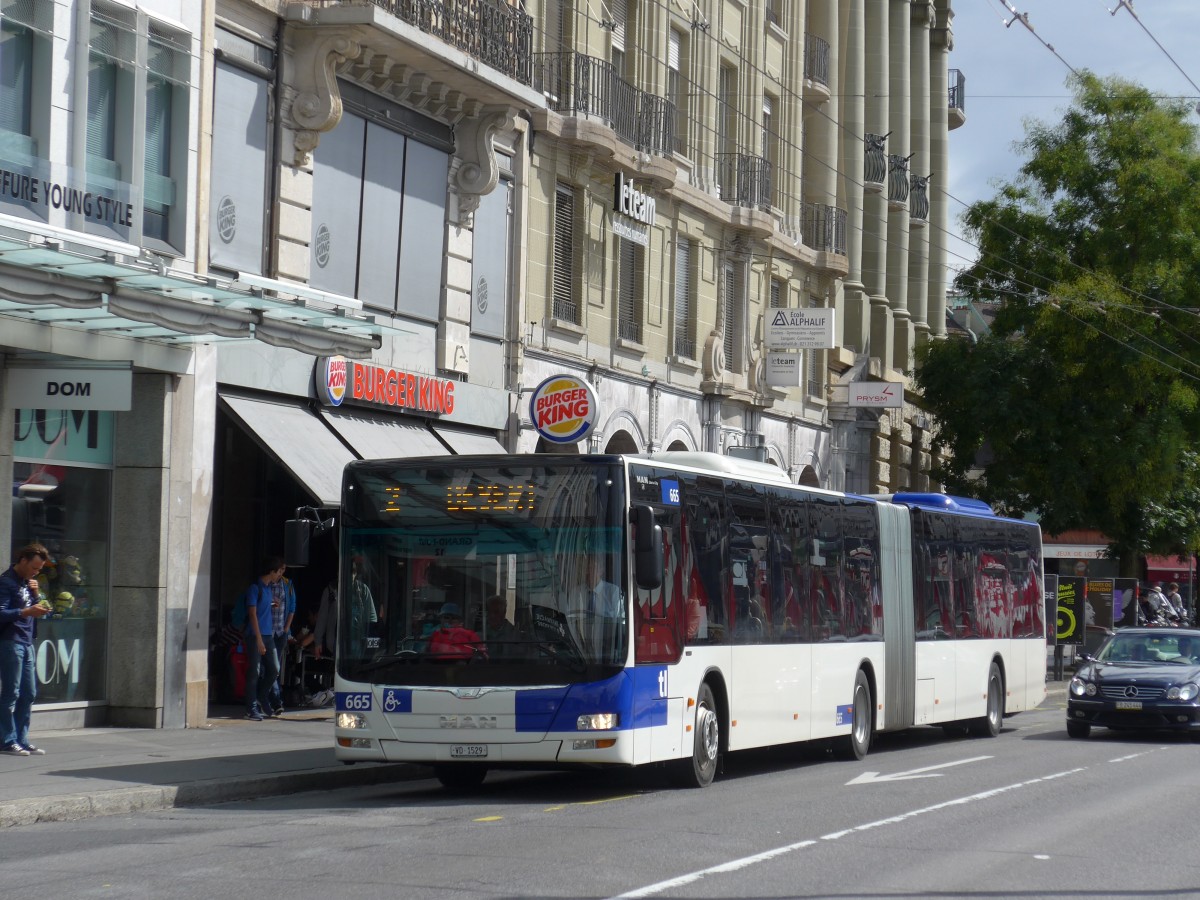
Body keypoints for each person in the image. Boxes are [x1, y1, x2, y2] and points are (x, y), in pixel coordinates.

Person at [0, 544, 53, 756]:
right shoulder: (6, 582)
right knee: (11, 692)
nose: (36, 572)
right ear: (22, 560)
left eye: (39, 569)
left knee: (28, 693)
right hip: (10, 641)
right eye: (34, 567)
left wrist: (36, 595)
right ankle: (6, 740)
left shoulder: (28, 583)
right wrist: (25, 611)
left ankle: (21, 739)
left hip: (27, 641)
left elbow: (41, 610)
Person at [243, 556, 284, 721]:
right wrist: (259, 639)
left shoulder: (267, 589)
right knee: (255, 672)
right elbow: (252, 614)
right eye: (278, 572)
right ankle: (250, 709)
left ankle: (260, 696)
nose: (279, 575)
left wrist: (273, 604)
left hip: (268, 635)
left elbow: (262, 607)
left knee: (275, 669)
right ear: (271, 571)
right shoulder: (255, 588)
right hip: (256, 636)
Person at [267, 567, 297, 716]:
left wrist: (286, 629)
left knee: (275, 668)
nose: (281, 573)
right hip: (268, 632)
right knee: (272, 667)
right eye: (279, 569)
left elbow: (292, 607)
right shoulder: (266, 584)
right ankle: (276, 701)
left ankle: (271, 700)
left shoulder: (288, 585)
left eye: (282, 570)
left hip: (280, 632)